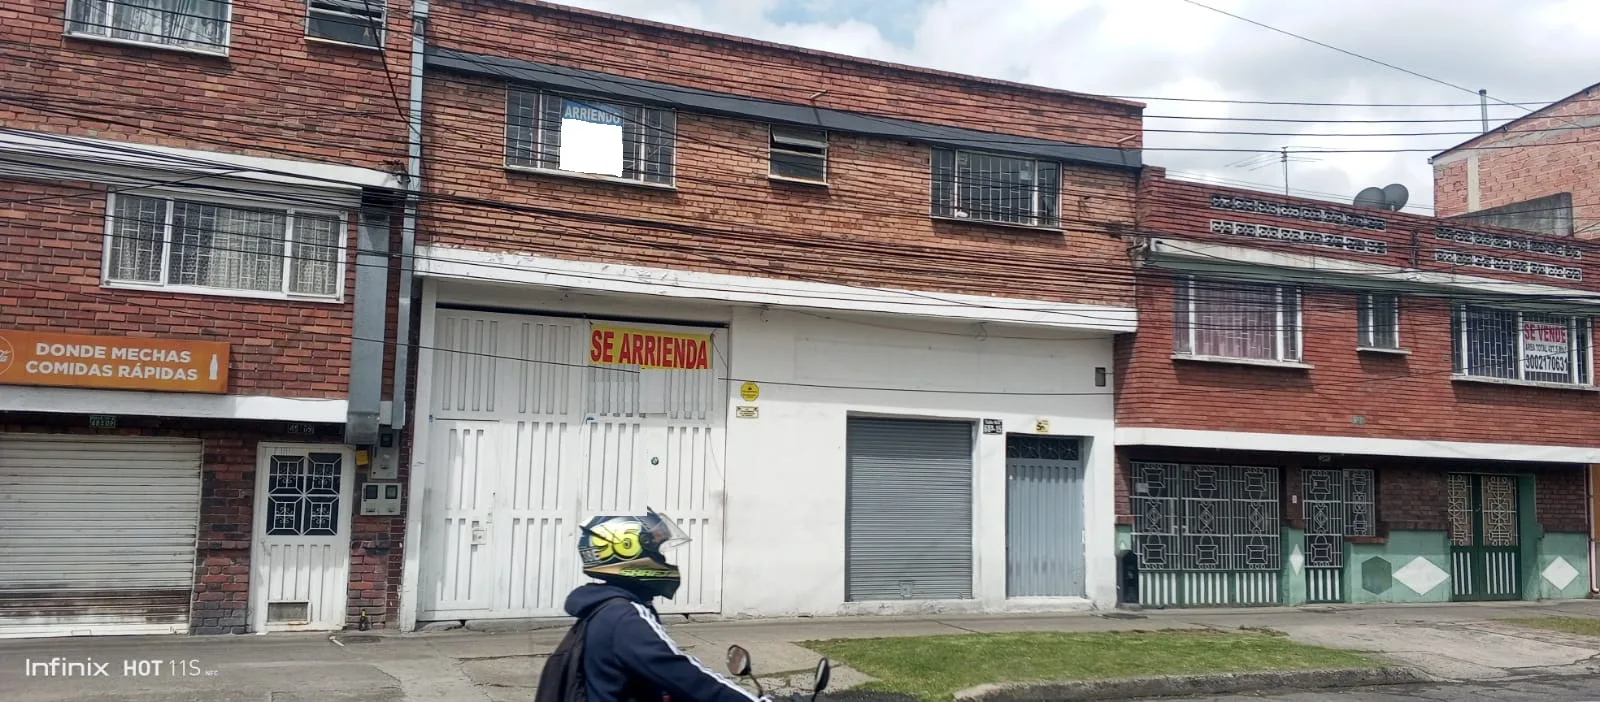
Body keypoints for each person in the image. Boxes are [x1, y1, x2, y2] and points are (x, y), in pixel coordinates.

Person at [566, 510, 766, 702]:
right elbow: (687, 677)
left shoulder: (606, 608)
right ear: (628, 550)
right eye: (656, 551)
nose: (662, 559)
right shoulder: (625, 618)